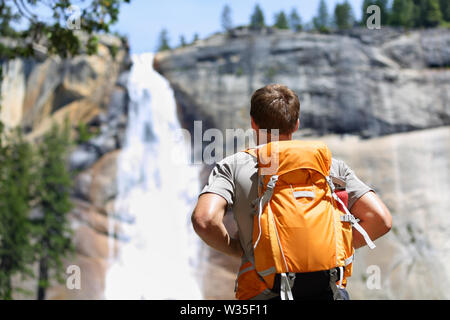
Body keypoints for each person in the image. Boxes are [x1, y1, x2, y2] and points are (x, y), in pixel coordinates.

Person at [191, 84, 392, 300]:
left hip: (265, 292)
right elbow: (380, 219)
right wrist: (334, 247)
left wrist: (237, 249)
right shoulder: (329, 166)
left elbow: (204, 220)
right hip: (327, 291)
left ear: (253, 123)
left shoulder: (233, 166)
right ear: (296, 124)